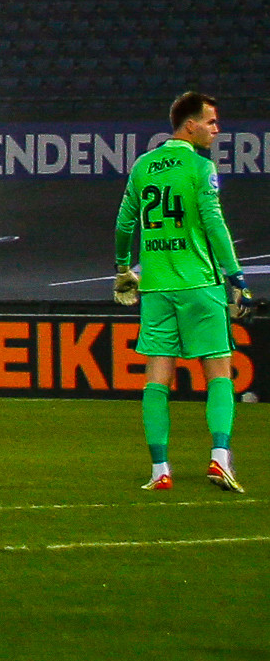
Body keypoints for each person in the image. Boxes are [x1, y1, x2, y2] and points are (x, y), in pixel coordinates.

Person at [117, 90, 252, 493]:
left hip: (157, 288)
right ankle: (220, 459)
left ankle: (160, 469)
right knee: (219, 374)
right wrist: (237, 278)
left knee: (157, 379)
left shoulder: (144, 165)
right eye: (211, 121)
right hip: (199, 285)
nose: (216, 128)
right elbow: (214, 224)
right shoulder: (198, 166)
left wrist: (123, 268)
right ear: (189, 124)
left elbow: (125, 223)